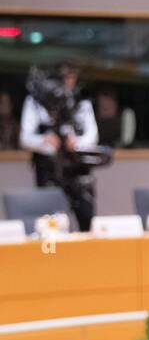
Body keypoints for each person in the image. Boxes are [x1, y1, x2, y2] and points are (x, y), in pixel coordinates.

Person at [19, 63, 100, 230]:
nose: (69, 80)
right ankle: (52, 254)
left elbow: (92, 135)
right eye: (65, 76)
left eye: (73, 76)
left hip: (77, 168)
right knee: (51, 222)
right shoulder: (37, 100)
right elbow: (25, 138)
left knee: (87, 217)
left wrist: (78, 143)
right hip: (49, 168)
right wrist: (43, 141)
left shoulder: (81, 100)